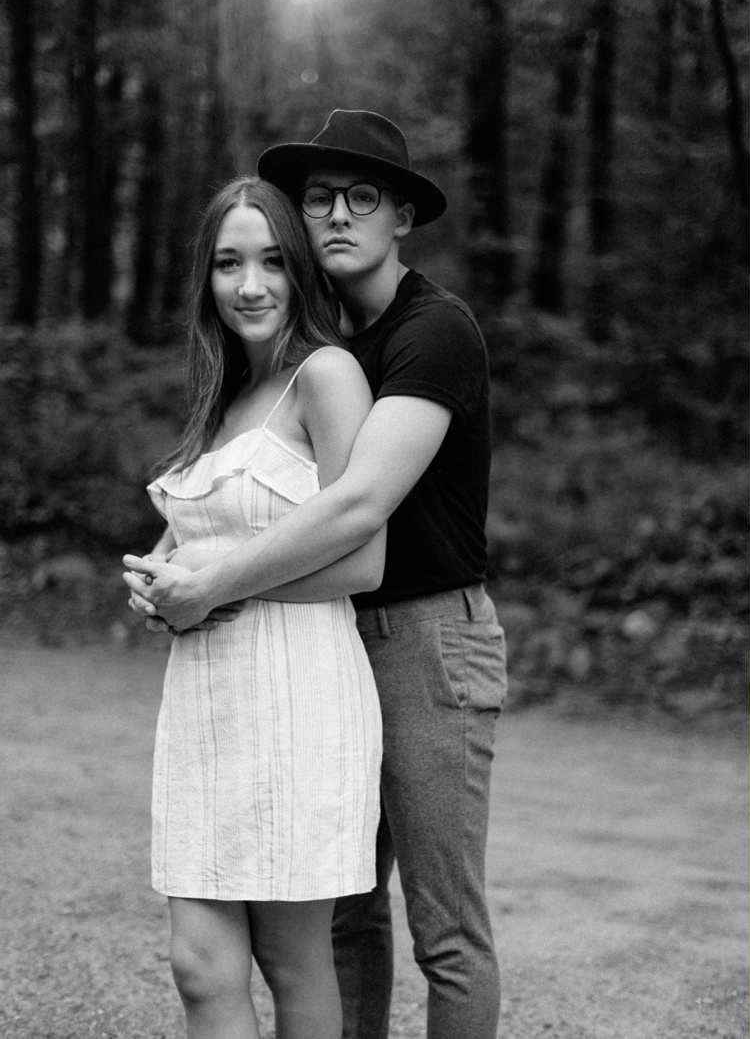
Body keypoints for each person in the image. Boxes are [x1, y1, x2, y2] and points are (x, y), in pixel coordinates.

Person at [125, 110, 506, 1039]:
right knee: (341, 907)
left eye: (362, 198)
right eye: (320, 200)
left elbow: (352, 510)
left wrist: (209, 586)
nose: (337, 216)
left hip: (424, 634)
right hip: (326, 638)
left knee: (443, 924)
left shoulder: (433, 332)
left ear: (401, 217)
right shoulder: (319, 340)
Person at [136, 176, 385, 1039]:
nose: (251, 285)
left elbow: (364, 556)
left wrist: (209, 589)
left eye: (274, 262)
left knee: (291, 960)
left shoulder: (327, 375)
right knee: (199, 964)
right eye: (229, 263)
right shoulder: (220, 398)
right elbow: (202, 541)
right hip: (206, 700)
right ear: (205, 277)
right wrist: (160, 582)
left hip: (297, 692)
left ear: (302, 272)